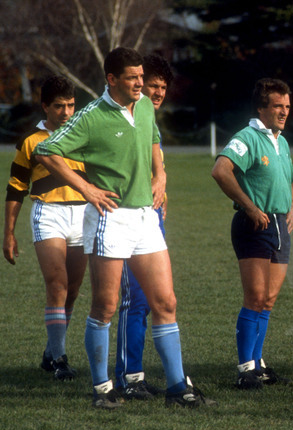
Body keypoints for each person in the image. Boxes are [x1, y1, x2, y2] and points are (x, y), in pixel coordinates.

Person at [34, 47, 213, 409]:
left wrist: (161, 175)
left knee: (166, 301)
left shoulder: (144, 106)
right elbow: (47, 151)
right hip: (110, 218)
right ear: (112, 79)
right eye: (132, 78)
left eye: (141, 76)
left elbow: (152, 139)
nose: (140, 84)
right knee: (105, 305)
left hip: (146, 217)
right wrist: (86, 189)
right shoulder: (91, 117)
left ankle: (178, 388)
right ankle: (103, 389)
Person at [211, 78, 293, 390]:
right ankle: (245, 368)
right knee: (256, 297)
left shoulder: (281, 141)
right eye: (277, 106)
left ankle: (258, 364)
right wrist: (249, 207)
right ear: (261, 108)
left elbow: (291, 177)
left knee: (269, 300)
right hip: (254, 225)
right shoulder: (247, 137)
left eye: (287, 106)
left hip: (279, 226)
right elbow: (221, 170)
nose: (284, 112)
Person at [3, 75, 85, 381]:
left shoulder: (84, 134)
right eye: (59, 106)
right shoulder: (31, 141)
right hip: (48, 214)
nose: (66, 112)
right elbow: (15, 189)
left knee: (72, 290)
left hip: (83, 215)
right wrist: (9, 233)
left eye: (71, 105)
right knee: (57, 284)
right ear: (45, 107)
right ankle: (60, 360)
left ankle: (51, 352)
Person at [114, 53, 174, 399]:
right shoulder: (118, 119)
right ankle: (127, 378)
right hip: (125, 221)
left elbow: (155, 172)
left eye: (163, 87)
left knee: (156, 300)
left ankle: (137, 374)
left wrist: (163, 192)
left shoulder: (149, 121)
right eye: (153, 85)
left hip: (152, 221)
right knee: (134, 299)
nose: (158, 92)